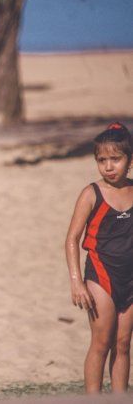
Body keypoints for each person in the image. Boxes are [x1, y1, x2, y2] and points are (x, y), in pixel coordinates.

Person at [65, 122, 133, 394]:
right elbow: (72, 239)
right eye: (101, 160)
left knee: (123, 342)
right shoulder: (91, 193)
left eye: (115, 159)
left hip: (131, 279)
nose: (108, 166)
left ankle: (119, 398)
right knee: (101, 342)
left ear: (130, 160)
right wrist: (76, 282)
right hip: (101, 275)